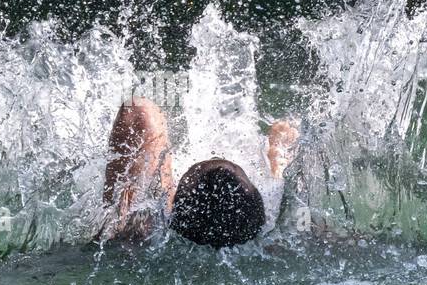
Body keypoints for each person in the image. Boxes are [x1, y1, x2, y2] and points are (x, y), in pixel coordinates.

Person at [101, 97, 298, 248]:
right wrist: (277, 163)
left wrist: (162, 178)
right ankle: (273, 175)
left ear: (173, 204)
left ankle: (156, 189)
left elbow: (137, 108)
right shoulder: (270, 227)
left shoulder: (142, 235)